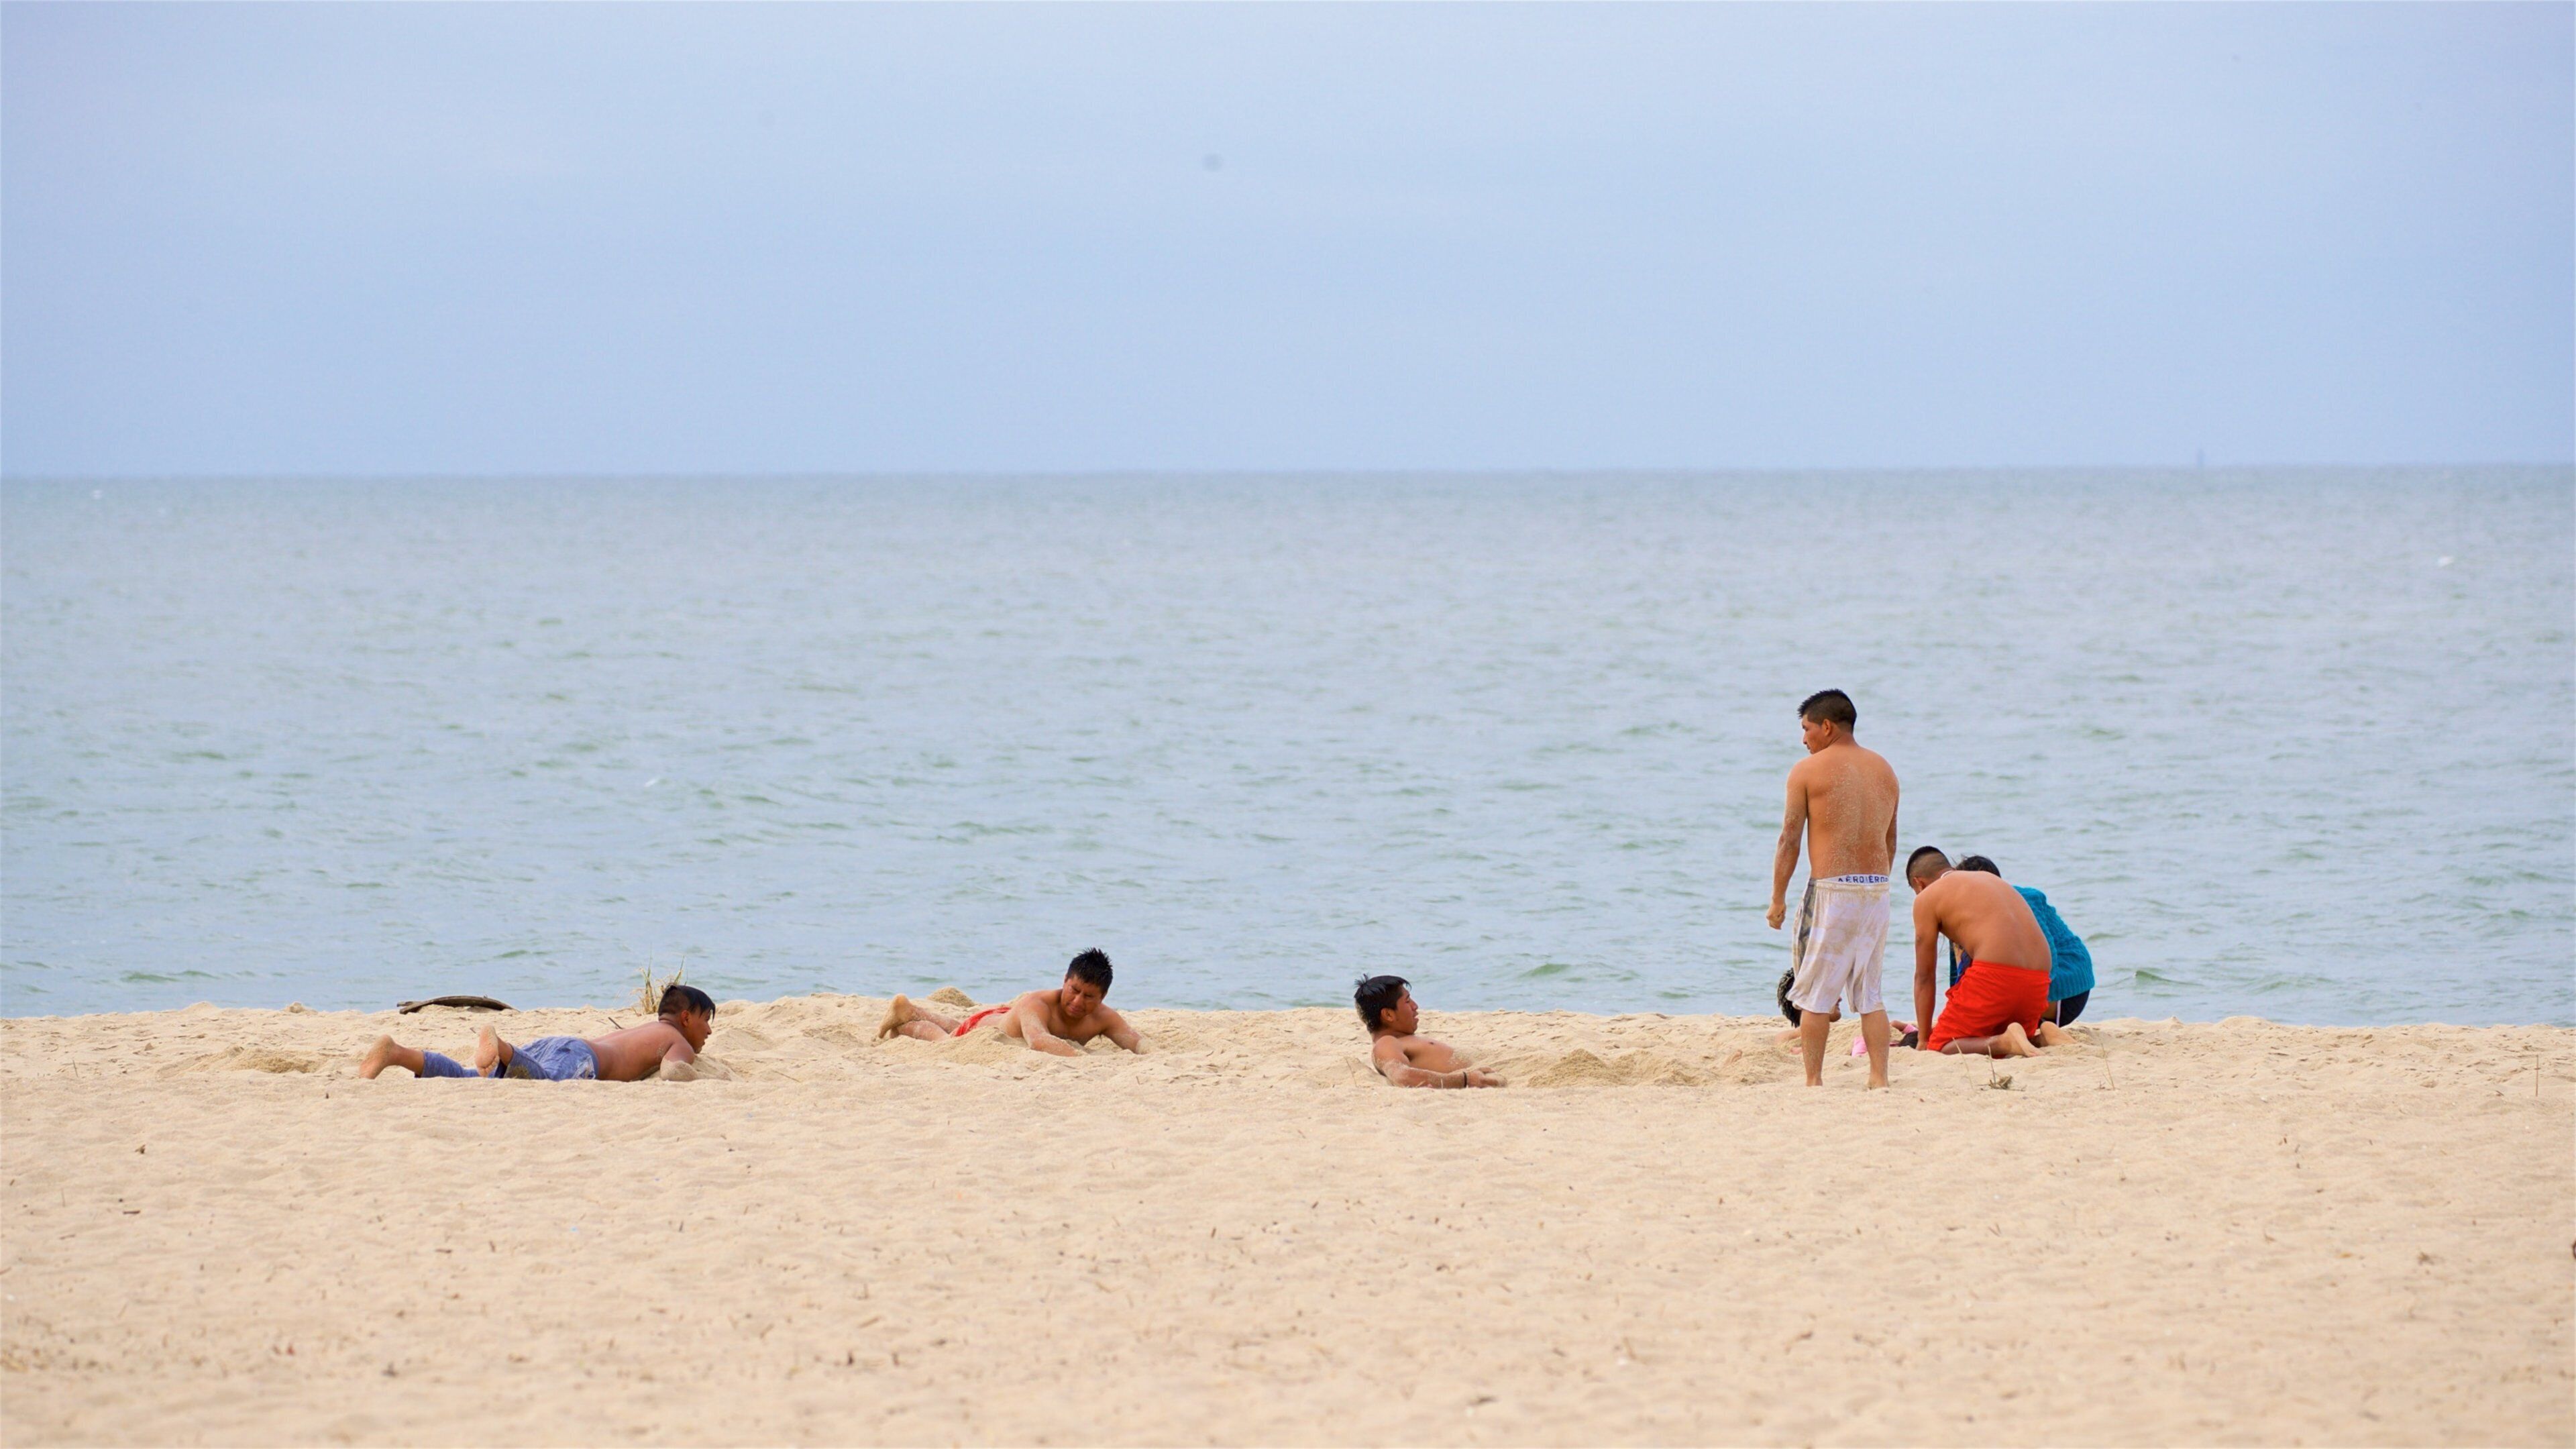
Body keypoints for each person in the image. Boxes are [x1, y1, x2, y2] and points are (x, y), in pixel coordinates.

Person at [1768, 689, 1901, 1087]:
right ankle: (1879, 1078)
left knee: (1814, 992)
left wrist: (1777, 898)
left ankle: (1813, 1081)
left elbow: (1789, 839)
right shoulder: (1885, 769)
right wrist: (1874, 882)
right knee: (1870, 994)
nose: (1803, 738)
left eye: (1806, 728)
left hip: (1831, 891)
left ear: (1826, 727)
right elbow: (1890, 839)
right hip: (1877, 890)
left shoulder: (1807, 771)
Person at [359, 983, 716, 1081]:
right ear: (685, 1018)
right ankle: (500, 1046)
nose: (710, 1032)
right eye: (706, 1021)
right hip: (581, 1059)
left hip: (558, 1045)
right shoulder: (675, 1040)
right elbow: (675, 1072)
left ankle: (398, 1054)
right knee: (543, 1081)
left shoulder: (650, 1029)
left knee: (474, 1078)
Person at [1907, 849, 2095, 1027]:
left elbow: (2044, 955)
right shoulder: (1962, 916)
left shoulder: (2020, 900)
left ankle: (2040, 1024)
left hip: (2068, 986)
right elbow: (1961, 982)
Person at [877, 949, 1144, 1057]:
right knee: (950, 1039)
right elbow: (1038, 1040)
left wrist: (1152, 1052)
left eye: (1088, 997)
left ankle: (911, 1011)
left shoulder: (1103, 1017)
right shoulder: (1038, 1003)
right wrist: (1084, 1059)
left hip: (1004, 1017)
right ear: (1064, 980)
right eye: (1073, 990)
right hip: (985, 1027)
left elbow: (1135, 1041)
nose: (1077, 1001)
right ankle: (905, 1026)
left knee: (955, 1024)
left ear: (1102, 997)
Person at [1354, 975, 1504, 1087]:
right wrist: (1465, 1080)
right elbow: (1402, 1076)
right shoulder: (1386, 1043)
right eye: (1407, 1001)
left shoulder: (1400, 1040)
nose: (1415, 1006)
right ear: (1388, 1015)